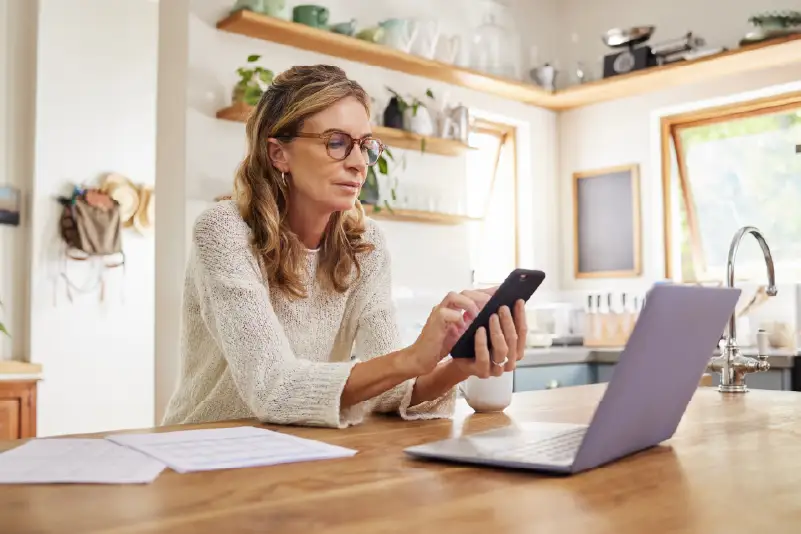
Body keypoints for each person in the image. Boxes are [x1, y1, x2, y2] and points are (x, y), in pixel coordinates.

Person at [162, 65, 528, 429]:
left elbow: (387, 392)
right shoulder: (225, 232)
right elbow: (275, 389)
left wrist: (460, 361)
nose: (357, 163)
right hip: (200, 452)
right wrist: (414, 356)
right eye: (336, 143)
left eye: (365, 145)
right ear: (278, 154)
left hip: (293, 453)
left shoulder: (365, 246)